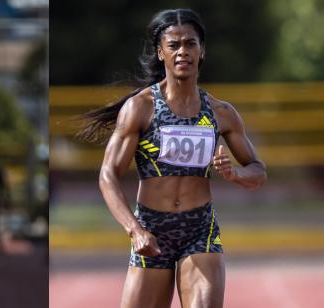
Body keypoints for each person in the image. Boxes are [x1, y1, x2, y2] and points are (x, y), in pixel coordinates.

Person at [78, 8, 266, 308]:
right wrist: (135, 230)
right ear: (160, 52)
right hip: (152, 229)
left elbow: (257, 171)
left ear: (202, 51)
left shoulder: (221, 113)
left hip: (199, 228)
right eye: (174, 45)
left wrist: (235, 175)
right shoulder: (140, 108)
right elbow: (108, 175)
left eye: (190, 44)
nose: (183, 52)